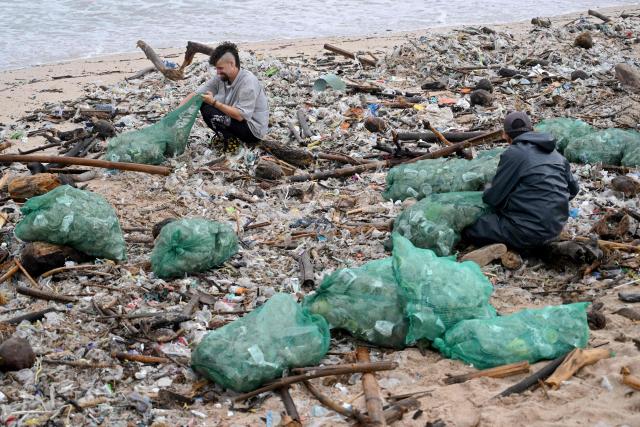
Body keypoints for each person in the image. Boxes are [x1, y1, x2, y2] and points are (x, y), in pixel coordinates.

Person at [462, 111, 579, 250]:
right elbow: (573, 190)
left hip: (526, 233)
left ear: (506, 136)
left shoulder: (514, 154)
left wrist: (487, 188)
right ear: (532, 129)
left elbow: (493, 198)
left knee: (468, 227)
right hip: (556, 228)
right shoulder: (557, 155)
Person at [181, 41, 269, 152]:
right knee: (203, 103)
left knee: (210, 110)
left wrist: (214, 102)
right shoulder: (221, 77)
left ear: (232, 64)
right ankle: (226, 137)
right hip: (238, 121)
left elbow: (240, 115)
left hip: (252, 130)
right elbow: (196, 94)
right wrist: (175, 113)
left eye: (220, 68)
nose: (218, 72)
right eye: (216, 68)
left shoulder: (248, 82)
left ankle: (232, 142)